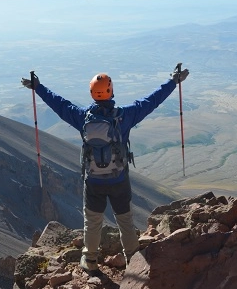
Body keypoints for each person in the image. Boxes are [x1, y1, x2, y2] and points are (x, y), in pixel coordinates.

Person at [21, 65, 189, 273]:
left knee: (92, 221)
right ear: (111, 91)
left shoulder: (82, 117)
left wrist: (38, 87)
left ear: (92, 93)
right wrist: (173, 81)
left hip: (93, 181)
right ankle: (133, 259)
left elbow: (59, 104)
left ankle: (90, 260)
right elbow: (151, 100)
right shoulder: (125, 116)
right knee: (125, 219)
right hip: (118, 179)